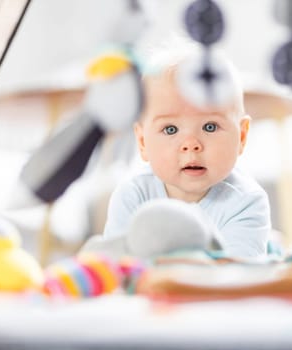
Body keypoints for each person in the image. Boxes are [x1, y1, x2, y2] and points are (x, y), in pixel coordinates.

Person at [101, 41, 271, 258]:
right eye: (170, 129)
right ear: (142, 142)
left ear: (242, 136)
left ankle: (271, 242)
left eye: (210, 126)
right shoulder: (133, 196)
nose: (191, 144)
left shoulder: (246, 202)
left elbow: (238, 276)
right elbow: (114, 267)